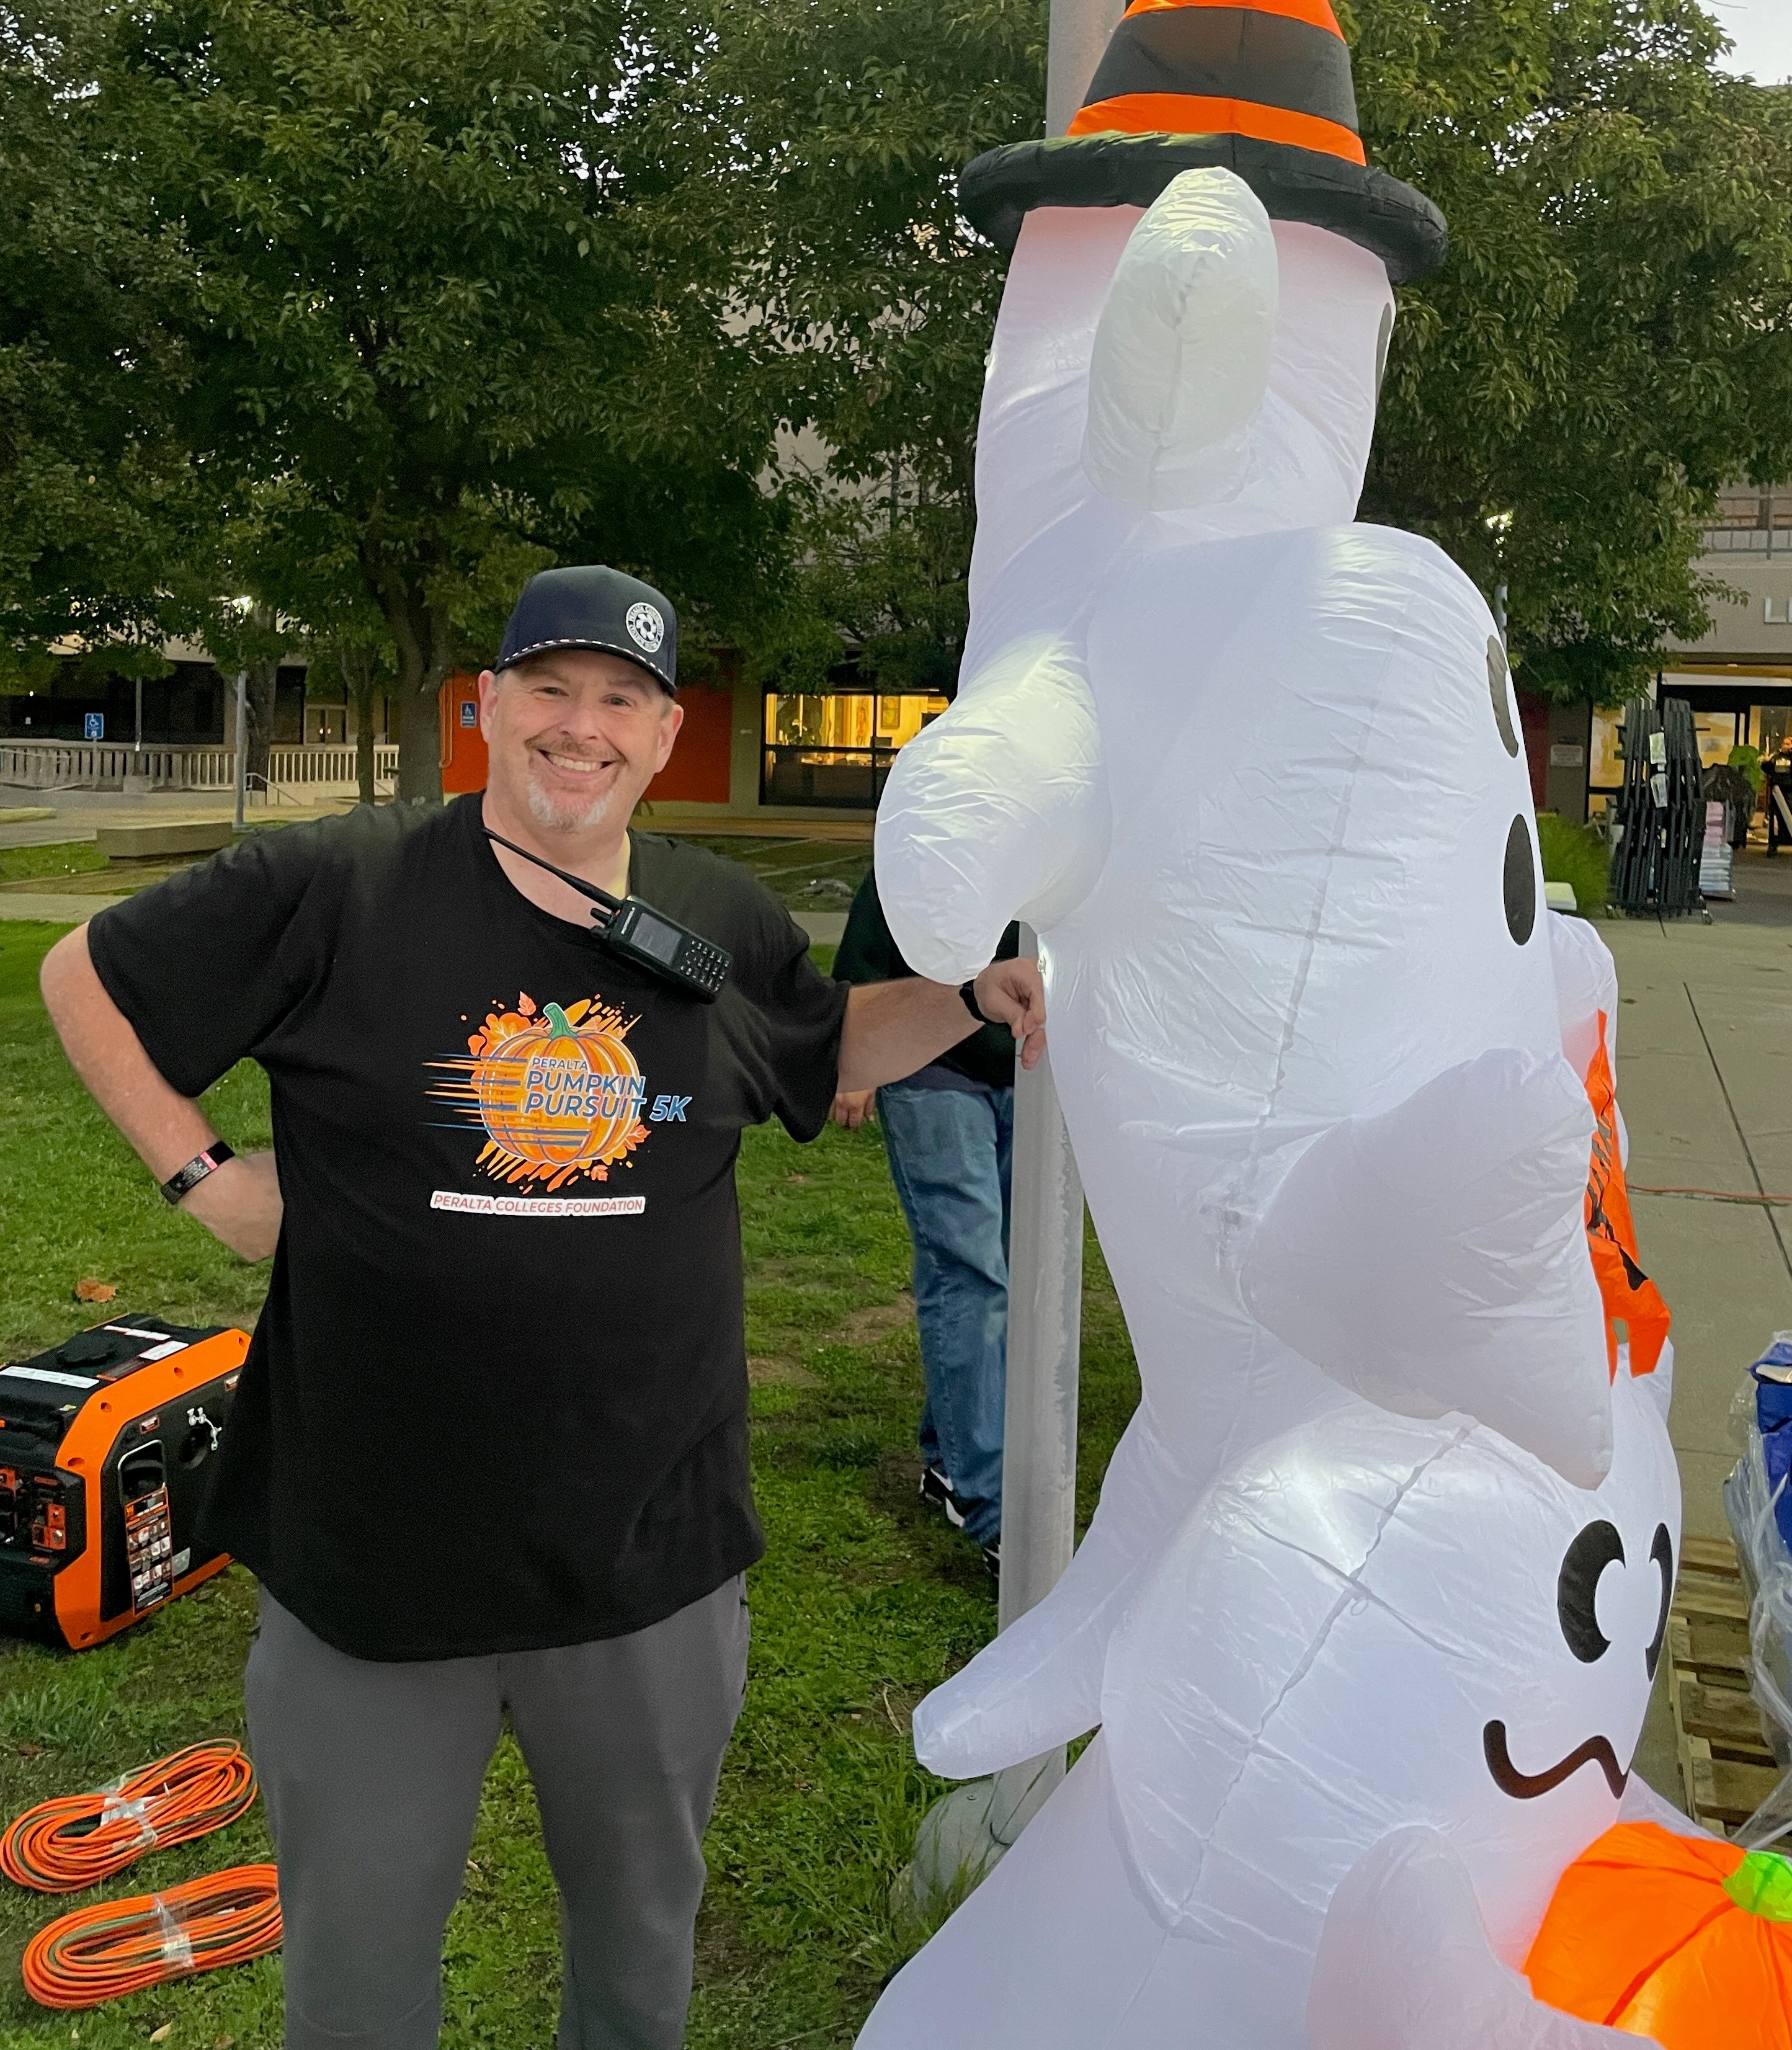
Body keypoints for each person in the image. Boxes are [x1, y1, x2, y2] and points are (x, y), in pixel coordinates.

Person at [38, 565, 1046, 2050]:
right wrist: (202, 1178)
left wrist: (969, 999)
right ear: (488, 708)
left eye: (622, 701)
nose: (584, 727)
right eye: (552, 690)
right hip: (370, 1561)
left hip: (650, 1560)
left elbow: (821, 1044)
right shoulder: (341, 884)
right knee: (358, 1987)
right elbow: (85, 974)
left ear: (665, 734)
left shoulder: (716, 915)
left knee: (637, 1963)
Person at [832, 871, 1017, 1574]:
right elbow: (865, 952)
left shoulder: (1064, 837)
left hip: (1031, 1069)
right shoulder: (926, 843)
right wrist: (858, 1062)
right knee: (971, 1276)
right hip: (931, 1067)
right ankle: (995, 1510)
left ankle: (948, 1459)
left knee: (1011, 1273)